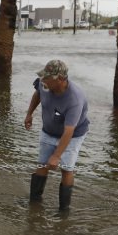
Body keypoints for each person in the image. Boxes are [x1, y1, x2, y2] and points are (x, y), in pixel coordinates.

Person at [23, 59, 90, 211]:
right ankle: (34, 203)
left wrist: (57, 156)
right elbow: (37, 94)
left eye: (47, 77)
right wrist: (29, 114)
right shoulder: (44, 84)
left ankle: (63, 211)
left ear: (60, 79)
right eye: (43, 76)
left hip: (73, 135)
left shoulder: (74, 99)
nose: (42, 80)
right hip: (48, 130)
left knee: (66, 169)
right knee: (42, 164)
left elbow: (69, 131)